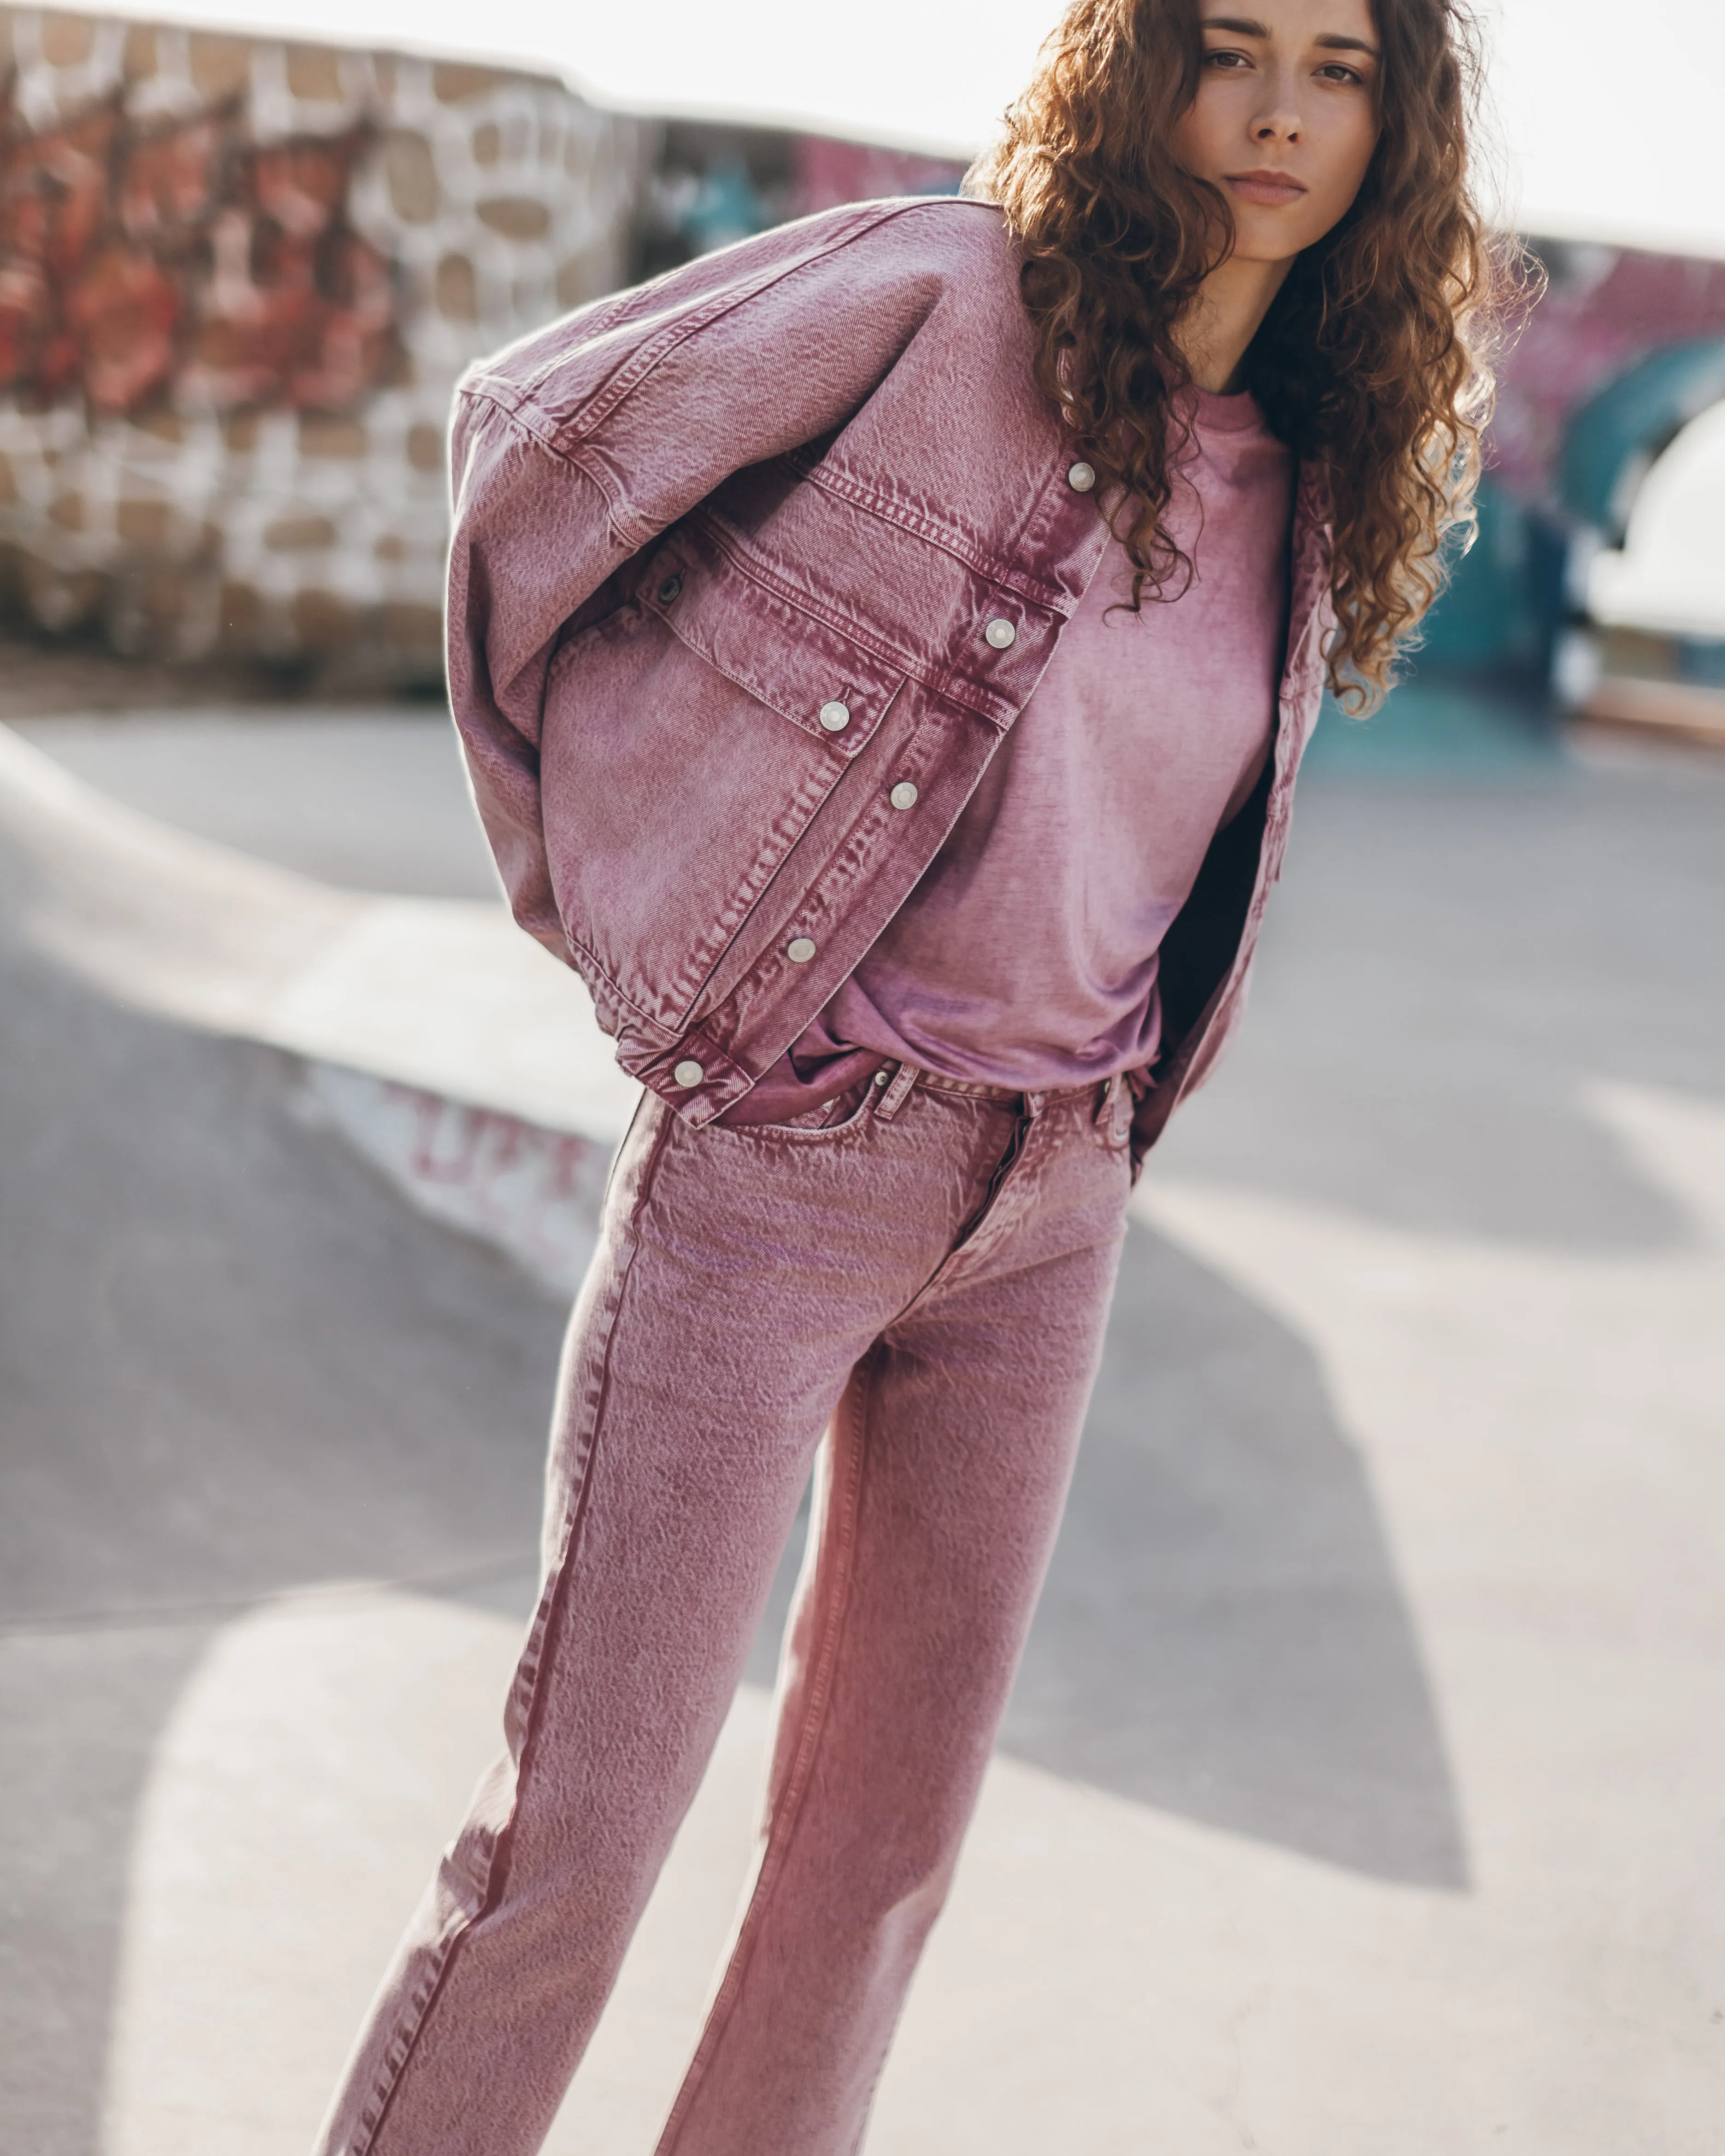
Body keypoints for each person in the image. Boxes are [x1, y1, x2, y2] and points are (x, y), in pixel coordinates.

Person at [315, 1, 1514, 2149]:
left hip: (1054, 1204)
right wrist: (606, 893)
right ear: (1135, 67)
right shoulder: (951, 297)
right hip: (783, 1170)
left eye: (1338, 71)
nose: (1273, 112)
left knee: (876, 1870)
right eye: (1228, 47)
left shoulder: (1324, 460)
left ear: (1395, 131)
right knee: (574, 1852)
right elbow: (538, 438)